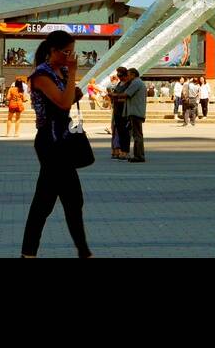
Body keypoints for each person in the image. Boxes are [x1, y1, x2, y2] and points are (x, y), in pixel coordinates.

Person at [20, 30, 92, 258]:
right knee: (65, 200)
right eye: (66, 52)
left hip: (62, 138)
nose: (71, 56)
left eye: (73, 52)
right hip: (50, 141)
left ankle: (30, 253)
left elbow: (68, 99)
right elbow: (62, 103)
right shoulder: (41, 75)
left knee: (50, 201)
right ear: (53, 50)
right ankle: (83, 252)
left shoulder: (60, 72)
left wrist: (72, 86)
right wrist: (72, 74)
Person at [111, 68, 147, 162]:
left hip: (135, 112)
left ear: (133, 75)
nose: (128, 76)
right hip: (135, 111)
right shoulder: (138, 82)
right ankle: (138, 155)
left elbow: (126, 94)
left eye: (129, 74)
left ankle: (139, 156)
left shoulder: (136, 83)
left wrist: (114, 95)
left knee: (137, 135)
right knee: (137, 135)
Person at [109, 68, 130, 159]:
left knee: (124, 131)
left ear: (125, 75)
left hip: (124, 110)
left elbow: (127, 97)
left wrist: (115, 97)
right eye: (118, 75)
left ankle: (124, 151)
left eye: (121, 75)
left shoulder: (128, 85)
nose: (120, 77)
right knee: (117, 130)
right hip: (116, 110)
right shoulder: (119, 84)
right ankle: (117, 150)